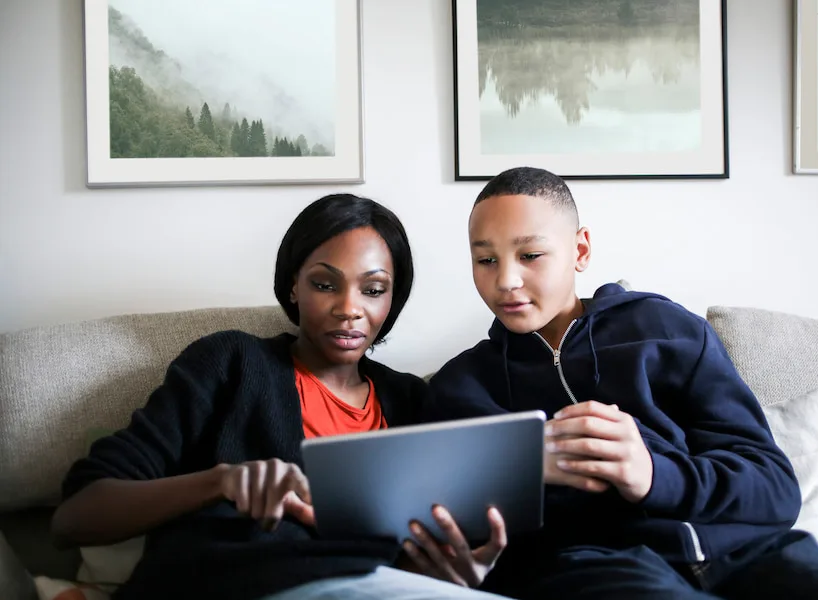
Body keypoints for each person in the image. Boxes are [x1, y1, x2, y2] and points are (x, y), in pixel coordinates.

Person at [426, 167, 818, 599]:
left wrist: (653, 475)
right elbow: (458, 530)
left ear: (580, 251)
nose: (506, 280)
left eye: (530, 255)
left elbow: (774, 489)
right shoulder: (462, 388)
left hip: (752, 556)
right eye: (485, 260)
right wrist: (526, 472)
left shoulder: (666, 329)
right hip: (602, 569)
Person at [52, 194, 509, 600]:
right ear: (294, 285)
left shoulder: (412, 401)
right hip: (241, 581)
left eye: (373, 290)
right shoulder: (232, 363)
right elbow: (74, 517)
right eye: (325, 284)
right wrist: (222, 481)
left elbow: (406, 554)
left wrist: (454, 574)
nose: (349, 309)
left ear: (392, 300)